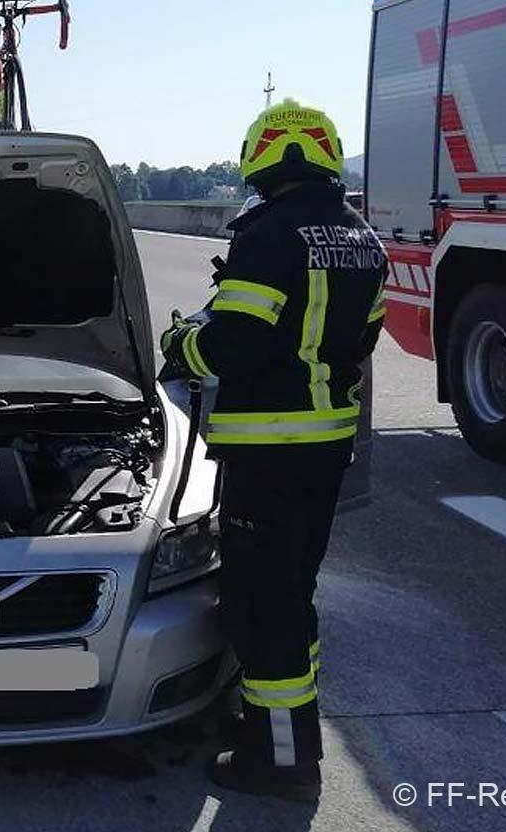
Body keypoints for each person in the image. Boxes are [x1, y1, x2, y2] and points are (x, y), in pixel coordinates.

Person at [160, 100, 387, 801]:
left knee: (263, 607)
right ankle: (276, 727)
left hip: (270, 450)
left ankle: (281, 764)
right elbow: (364, 338)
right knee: (292, 595)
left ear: (258, 161)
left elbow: (233, 345)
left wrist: (181, 344)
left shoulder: (267, 234)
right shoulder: (361, 237)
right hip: (326, 448)